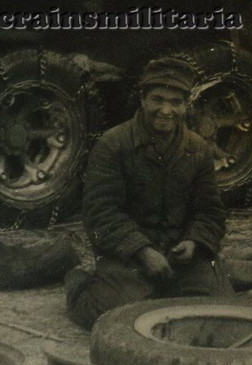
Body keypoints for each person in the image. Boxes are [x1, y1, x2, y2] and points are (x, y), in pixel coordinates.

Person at [64, 56, 232, 329]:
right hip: (128, 259)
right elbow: (100, 213)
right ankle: (79, 284)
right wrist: (142, 251)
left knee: (218, 316)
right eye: (157, 99)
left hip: (181, 259)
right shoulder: (113, 144)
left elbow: (211, 211)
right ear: (142, 99)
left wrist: (193, 242)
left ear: (186, 105)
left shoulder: (198, 149)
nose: (165, 110)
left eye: (175, 102)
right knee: (117, 319)